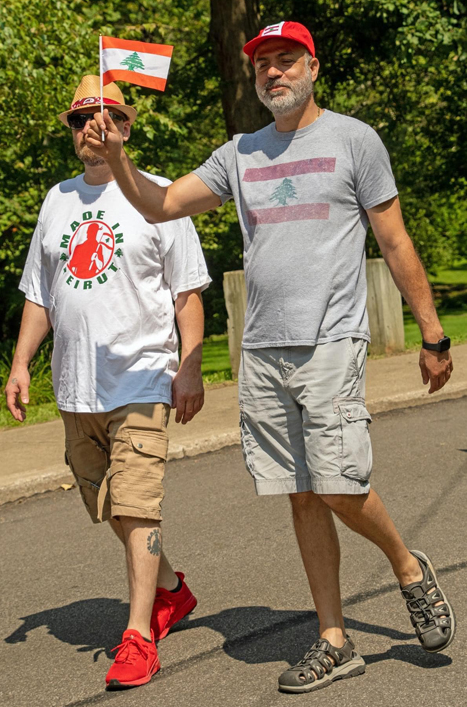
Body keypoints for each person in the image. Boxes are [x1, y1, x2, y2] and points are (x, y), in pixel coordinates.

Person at [84, 21, 456, 694]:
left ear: (312, 67)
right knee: (303, 494)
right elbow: (161, 204)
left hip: (331, 340)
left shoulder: (353, 140)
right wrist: (116, 159)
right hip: (262, 352)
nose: (273, 73)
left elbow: (395, 241)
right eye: (263, 65)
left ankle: (405, 564)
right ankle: (334, 638)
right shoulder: (240, 154)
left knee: (339, 481)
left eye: (286, 61)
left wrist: (432, 333)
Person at [5, 75, 211, 689]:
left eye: (106, 117)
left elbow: (188, 293)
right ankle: (172, 591)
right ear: (71, 134)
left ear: (125, 126)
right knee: (110, 507)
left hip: (142, 380)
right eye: (80, 120)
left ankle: (138, 636)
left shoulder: (159, 196)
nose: (92, 128)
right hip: (76, 388)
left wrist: (190, 366)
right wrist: (20, 364)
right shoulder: (56, 201)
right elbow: (40, 295)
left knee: (138, 505)